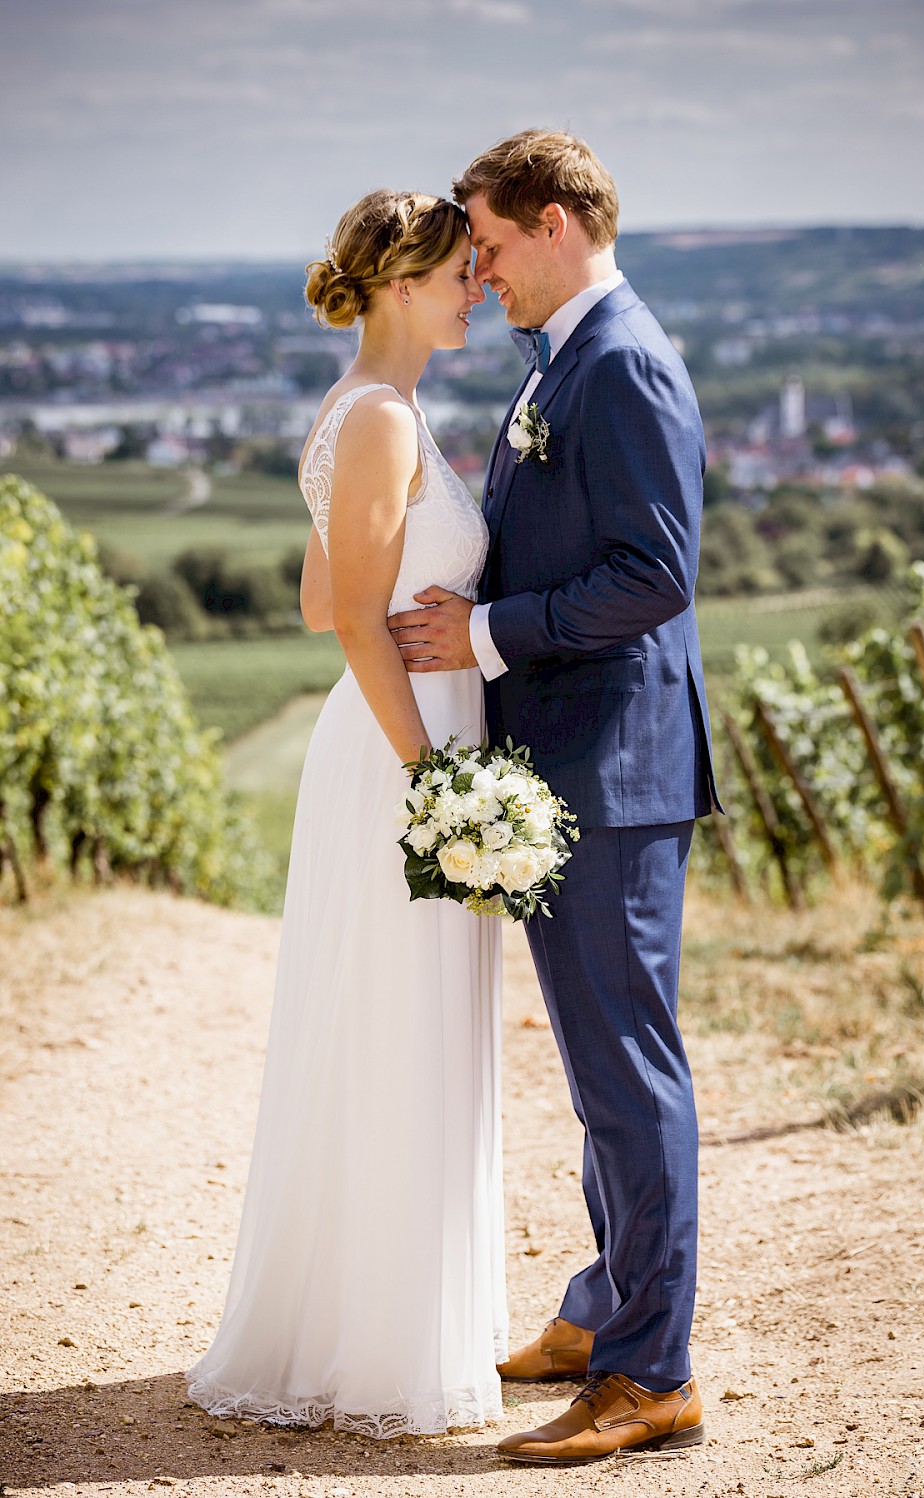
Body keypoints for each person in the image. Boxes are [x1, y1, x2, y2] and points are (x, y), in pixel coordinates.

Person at [388, 130, 719, 1465]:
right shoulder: (563, 356)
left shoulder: (621, 359)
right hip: (573, 765)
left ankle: (655, 1372)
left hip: (614, 774)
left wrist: (481, 636)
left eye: (492, 243)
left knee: (630, 1076)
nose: (482, 268)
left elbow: (655, 572)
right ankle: (602, 1313)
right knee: (597, 1071)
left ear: (559, 223)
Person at [186, 190, 509, 1436]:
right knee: (399, 1024)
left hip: (397, 736)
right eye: (454, 274)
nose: (472, 287)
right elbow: (360, 621)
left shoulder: (366, 411)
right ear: (396, 286)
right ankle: (384, 1347)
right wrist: (432, 768)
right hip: (401, 749)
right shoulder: (379, 418)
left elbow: (326, 598)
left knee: (394, 1022)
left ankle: (384, 1320)